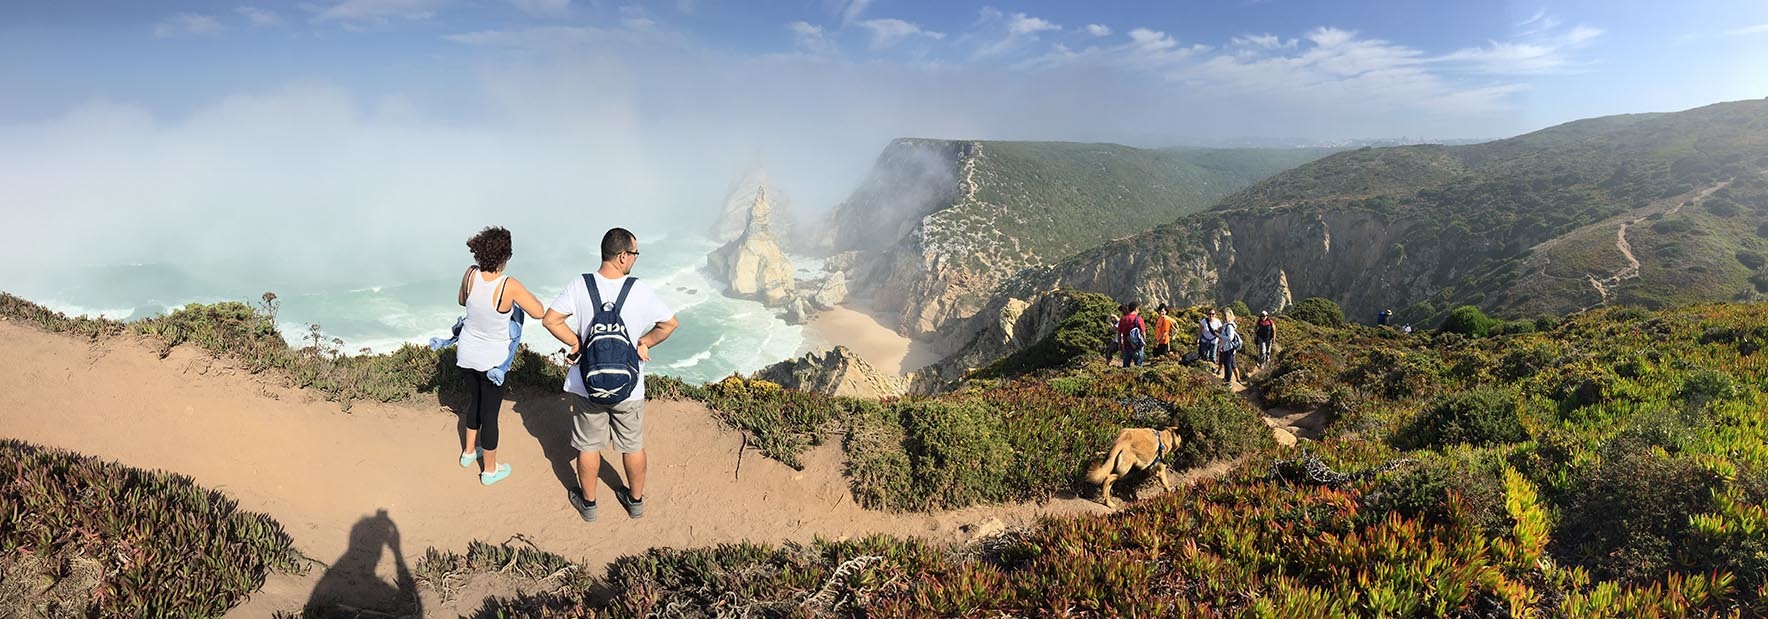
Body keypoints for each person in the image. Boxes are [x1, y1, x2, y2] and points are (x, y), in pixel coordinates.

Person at [543, 228, 679, 521]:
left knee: (588, 446)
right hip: (629, 386)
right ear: (622, 256)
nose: (635, 260)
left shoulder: (581, 285)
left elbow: (550, 319)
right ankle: (635, 501)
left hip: (586, 383)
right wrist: (643, 343)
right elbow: (669, 324)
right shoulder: (639, 289)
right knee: (632, 445)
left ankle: (589, 505)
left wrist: (576, 342)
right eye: (635, 254)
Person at [454, 227, 545, 486]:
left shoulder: (470, 274)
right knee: (490, 414)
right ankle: (490, 471)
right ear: (507, 254)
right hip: (492, 362)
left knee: (474, 403)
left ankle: (469, 453)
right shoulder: (509, 285)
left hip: (466, 354)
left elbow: (463, 301)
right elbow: (538, 312)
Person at [1116, 302, 1148, 368]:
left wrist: (1120, 344)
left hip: (1126, 347)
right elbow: (1143, 333)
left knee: (1126, 367)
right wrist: (1143, 342)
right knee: (1138, 367)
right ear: (1136, 309)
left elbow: (1119, 333)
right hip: (1137, 347)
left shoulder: (1123, 319)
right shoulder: (1138, 318)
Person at [1218, 309, 1243, 385]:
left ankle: (1228, 381)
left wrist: (1219, 335)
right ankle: (1231, 379)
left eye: (1226, 315)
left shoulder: (1229, 326)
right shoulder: (1226, 325)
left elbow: (1230, 338)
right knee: (1231, 364)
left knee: (1227, 364)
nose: (1224, 317)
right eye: (1223, 315)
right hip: (1227, 348)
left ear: (1230, 316)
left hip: (1229, 348)